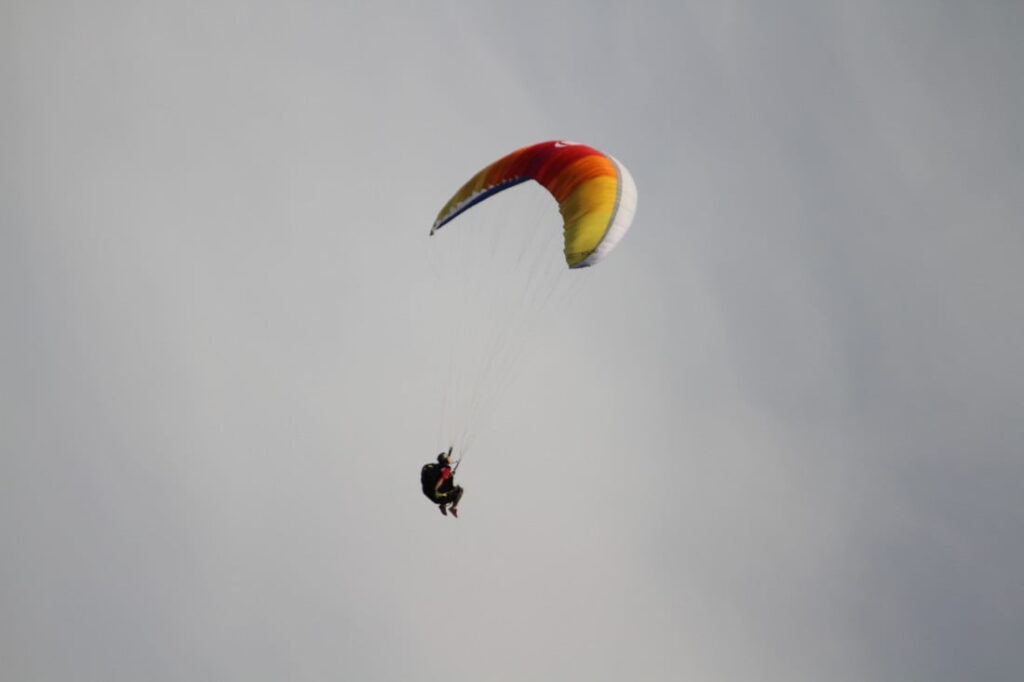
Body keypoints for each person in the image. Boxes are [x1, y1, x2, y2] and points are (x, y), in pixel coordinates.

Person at [421, 447, 464, 518]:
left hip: (428, 493)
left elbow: (441, 477)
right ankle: (453, 508)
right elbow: (441, 480)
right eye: (448, 457)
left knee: (449, 481)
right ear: (446, 459)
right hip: (437, 496)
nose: (450, 458)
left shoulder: (436, 467)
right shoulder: (446, 469)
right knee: (460, 490)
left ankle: (443, 505)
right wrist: (436, 490)